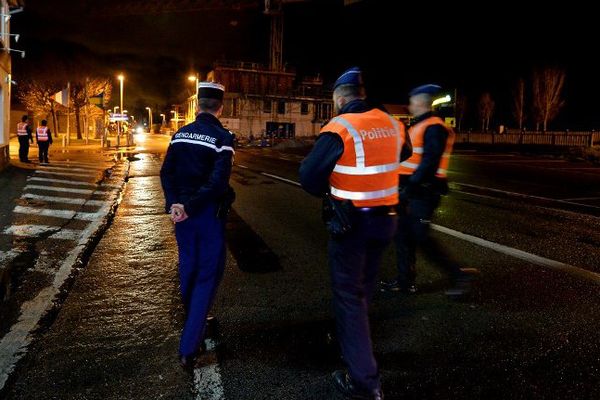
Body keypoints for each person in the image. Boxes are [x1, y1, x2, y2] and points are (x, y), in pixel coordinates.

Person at [300, 67, 411, 400]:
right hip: (385, 219)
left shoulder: (341, 127)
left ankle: (365, 382)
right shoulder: (393, 124)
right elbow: (402, 156)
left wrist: (333, 190)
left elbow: (308, 176)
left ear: (339, 98)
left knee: (349, 296)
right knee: (362, 291)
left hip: (352, 223)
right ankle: (353, 342)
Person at [160, 81, 235, 370]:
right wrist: (190, 207)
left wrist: (175, 204)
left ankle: (194, 321)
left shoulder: (179, 135)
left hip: (182, 215)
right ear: (220, 106)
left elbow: (167, 172)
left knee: (188, 269)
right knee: (207, 274)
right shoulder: (222, 137)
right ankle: (189, 346)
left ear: (198, 105)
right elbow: (218, 183)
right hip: (206, 216)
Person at [380, 84, 476, 297]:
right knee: (403, 235)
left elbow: (430, 161)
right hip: (411, 189)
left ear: (420, 102)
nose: (409, 105)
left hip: (424, 190)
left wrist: (410, 187)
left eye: (412, 101)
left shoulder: (434, 127)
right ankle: (405, 281)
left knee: (420, 235)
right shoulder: (419, 126)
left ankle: (459, 274)